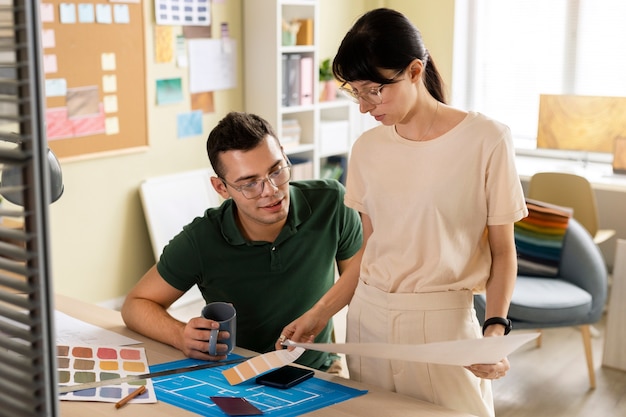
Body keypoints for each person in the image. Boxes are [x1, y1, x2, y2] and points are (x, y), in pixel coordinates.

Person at [276, 8, 528, 417]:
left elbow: (503, 250)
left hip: (442, 325)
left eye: (374, 90)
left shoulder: (487, 139)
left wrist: (494, 330)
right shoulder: (368, 150)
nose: (364, 106)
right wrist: (319, 313)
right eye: (356, 92)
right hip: (367, 323)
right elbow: (371, 252)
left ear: (414, 70)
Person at [121, 111, 362, 372]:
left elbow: (362, 276)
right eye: (249, 184)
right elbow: (135, 305)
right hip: (236, 375)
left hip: (318, 371)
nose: (270, 190)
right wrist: (180, 334)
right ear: (221, 188)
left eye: (276, 170)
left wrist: (321, 313)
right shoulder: (201, 239)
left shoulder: (332, 202)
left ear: (283, 154)